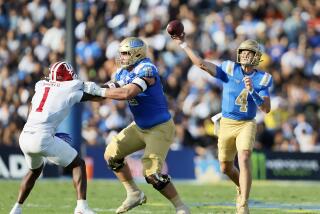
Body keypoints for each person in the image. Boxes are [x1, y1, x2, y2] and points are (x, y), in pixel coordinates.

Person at [84, 37, 190, 214]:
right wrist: (81, 92)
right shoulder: (123, 72)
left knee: (152, 175)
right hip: (140, 126)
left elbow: (127, 92)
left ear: (137, 53)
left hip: (160, 127)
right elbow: (105, 91)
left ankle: (181, 207)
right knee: (111, 155)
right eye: (121, 53)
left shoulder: (147, 69)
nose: (122, 57)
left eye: (125, 53)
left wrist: (98, 90)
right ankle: (134, 193)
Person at [171, 35, 272, 214]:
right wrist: (184, 44)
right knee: (225, 167)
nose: (247, 56)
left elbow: (266, 109)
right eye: (244, 52)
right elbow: (201, 64)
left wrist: (252, 91)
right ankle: (241, 187)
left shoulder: (263, 78)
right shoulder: (229, 68)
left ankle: (243, 204)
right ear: (239, 53)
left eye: (251, 53)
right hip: (226, 122)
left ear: (257, 56)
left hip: (246, 123)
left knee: (245, 156)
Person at [9, 61, 99, 214]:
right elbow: (97, 96)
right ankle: (81, 207)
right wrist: (112, 88)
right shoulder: (69, 88)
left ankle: (16, 208)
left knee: (34, 170)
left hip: (26, 136)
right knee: (78, 164)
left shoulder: (41, 86)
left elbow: (32, 111)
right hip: (42, 138)